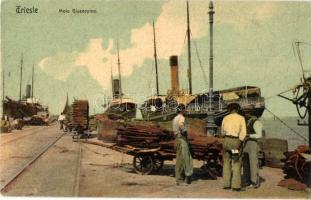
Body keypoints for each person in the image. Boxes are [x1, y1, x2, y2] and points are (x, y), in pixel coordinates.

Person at [222, 103, 247, 191]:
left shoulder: (225, 118)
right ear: (237, 109)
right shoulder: (241, 118)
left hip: (226, 141)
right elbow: (243, 133)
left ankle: (226, 184)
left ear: (229, 110)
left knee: (226, 162)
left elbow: (222, 132)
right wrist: (239, 143)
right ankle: (236, 186)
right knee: (236, 162)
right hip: (235, 142)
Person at [173, 104, 193, 185]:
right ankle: (180, 179)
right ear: (182, 110)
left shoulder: (175, 118)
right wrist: (185, 132)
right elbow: (182, 126)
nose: (185, 111)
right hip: (181, 139)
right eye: (184, 109)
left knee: (179, 160)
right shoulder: (182, 118)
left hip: (177, 139)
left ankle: (179, 178)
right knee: (183, 160)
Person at [242, 114, 263, 188]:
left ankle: (254, 182)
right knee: (245, 163)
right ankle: (247, 181)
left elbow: (259, 135)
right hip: (246, 143)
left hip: (253, 143)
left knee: (253, 163)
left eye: (248, 112)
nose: (246, 114)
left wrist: (249, 135)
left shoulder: (257, 122)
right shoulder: (247, 121)